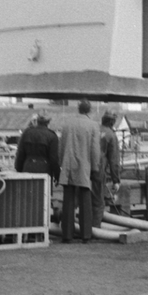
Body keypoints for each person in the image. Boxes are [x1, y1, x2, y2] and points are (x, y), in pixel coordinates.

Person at [58, 99, 100, 243]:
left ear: (78, 108)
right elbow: (95, 150)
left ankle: (67, 235)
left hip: (68, 165)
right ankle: (86, 235)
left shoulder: (67, 124)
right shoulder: (93, 125)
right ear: (89, 110)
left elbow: (61, 147)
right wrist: (95, 168)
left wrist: (62, 163)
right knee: (85, 202)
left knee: (68, 201)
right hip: (84, 166)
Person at [93, 112, 122, 222]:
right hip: (98, 171)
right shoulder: (111, 135)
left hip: (84, 171)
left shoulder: (93, 130)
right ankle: (95, 228)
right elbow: (114, 160)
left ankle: (84, 227)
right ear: (112, 122)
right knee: (98, 203)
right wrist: (116, 180)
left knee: (86, 201)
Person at [15, 113, 60, 181]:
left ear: (37, 122)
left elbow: (20, 154)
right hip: (45, 169)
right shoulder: (52, 136)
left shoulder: (26, 133)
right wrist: (57, 175)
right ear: (48, 123)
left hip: (27, 167)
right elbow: (54, 159)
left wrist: (19, 169)